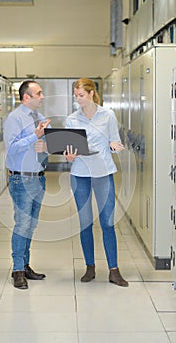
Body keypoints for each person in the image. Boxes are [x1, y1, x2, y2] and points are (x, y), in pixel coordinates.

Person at [64, 78, 128, 287]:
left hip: (103, 173)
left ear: (91, 94)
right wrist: (69, 157)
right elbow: (68, 151)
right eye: (76, 96)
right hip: (80, 173)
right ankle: (90, 267)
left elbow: (114, 140)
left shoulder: (107, 115)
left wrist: (113, 145)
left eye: (81, 95)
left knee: (107, 222)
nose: (78, 99)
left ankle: (114, 270)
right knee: (85, 223)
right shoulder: (71, 119)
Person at [4, 80, 51, 289]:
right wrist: (35, 136)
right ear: (26, 97)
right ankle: (17, 270)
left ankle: (25, 264)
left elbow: (43, 147)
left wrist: (45, 146)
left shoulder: (39, 118)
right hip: (21, 178)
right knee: (22, 224)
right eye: (38, 93)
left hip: (39, 177)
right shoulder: (14, 118)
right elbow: (12, 149)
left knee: (31, 225)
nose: (42, 96)